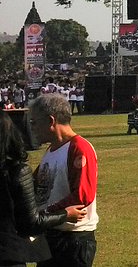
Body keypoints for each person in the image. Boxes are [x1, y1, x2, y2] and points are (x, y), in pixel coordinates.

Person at [0, 110, 86, 266]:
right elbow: (31, 222)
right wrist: (65, 214)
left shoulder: (75, 148)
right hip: (8, 252)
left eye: (34, 123)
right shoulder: (15, 171)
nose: (32, 128)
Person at [28, 93, 99, 265]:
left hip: (72, 241)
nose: (32, 128)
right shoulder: (51, 150)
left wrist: (46, 214)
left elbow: (83, 196)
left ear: (51, 121)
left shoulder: (79, 148)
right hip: (50, 235)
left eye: (34, 122)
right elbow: (34, 184)